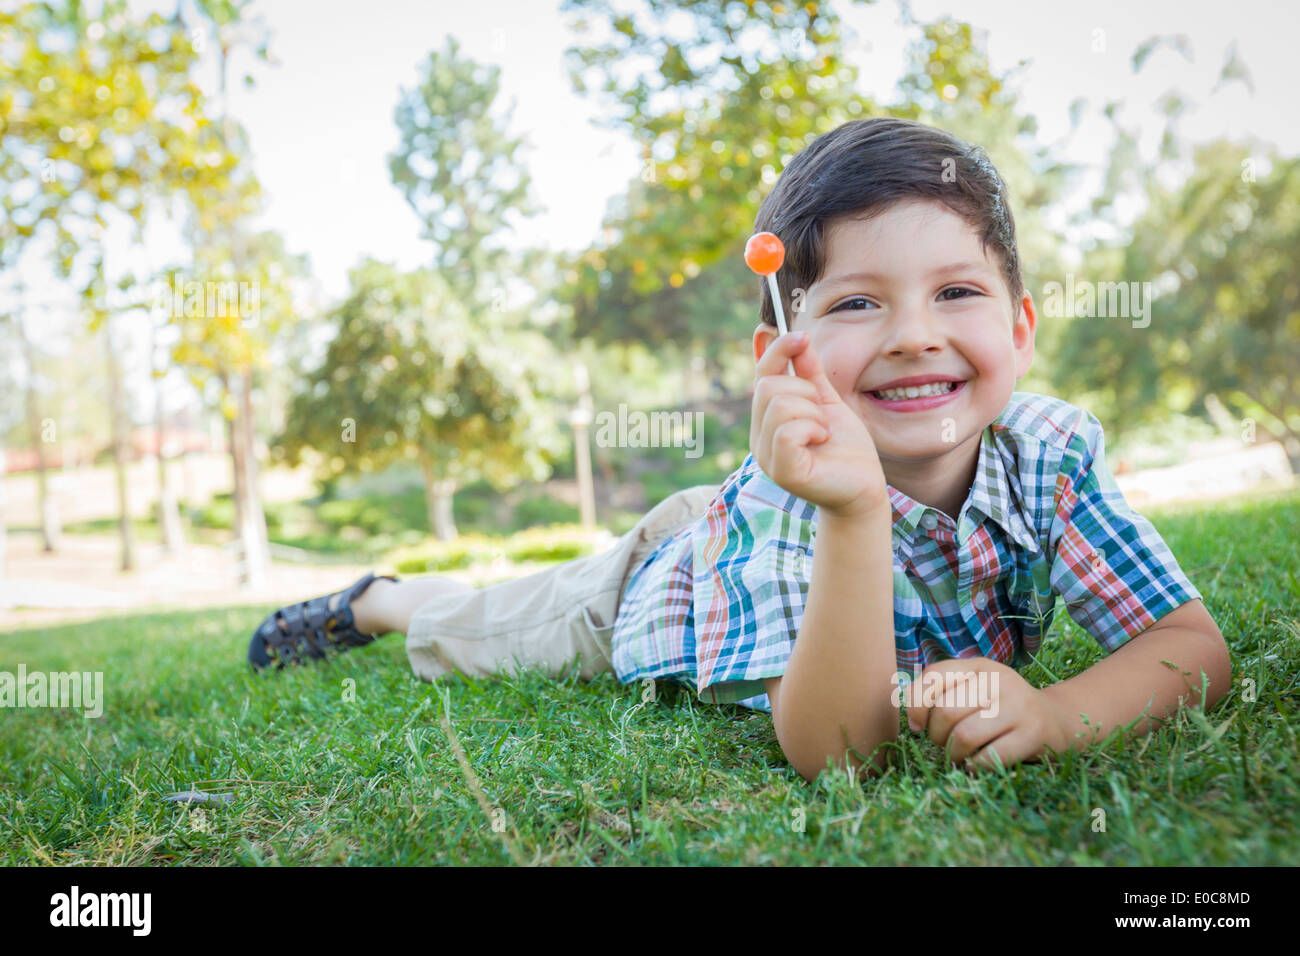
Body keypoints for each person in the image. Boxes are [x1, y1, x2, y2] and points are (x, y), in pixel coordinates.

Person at [248, 116, 1230, 783]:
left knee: (504, 599)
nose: (914, 335)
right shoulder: (790, 499)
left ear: (1019, 330)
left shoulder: (1049, 453)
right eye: (856, 302)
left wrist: (1060, 714)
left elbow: (1185, 648)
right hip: (654, 589)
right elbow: (836, 750)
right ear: (783, 355)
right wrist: (850, 508)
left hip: (723, 526)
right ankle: (374, 599)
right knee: (490, 625)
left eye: (956, 292)